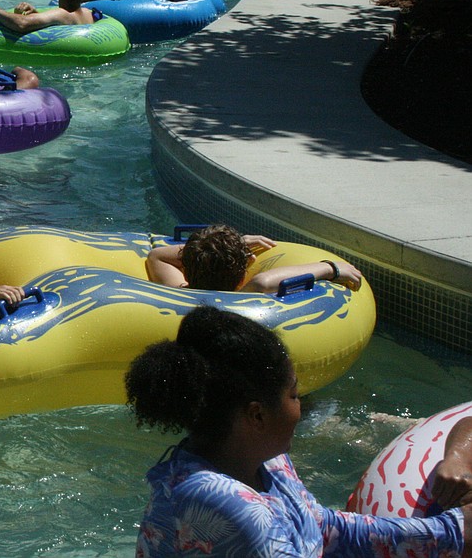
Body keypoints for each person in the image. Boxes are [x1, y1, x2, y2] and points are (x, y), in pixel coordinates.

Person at [125, 305, 472, 556]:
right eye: (293, 394)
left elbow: (319, 526)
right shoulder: (230, 509)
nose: (300, 406)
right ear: (257, 416)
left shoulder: (267, 463)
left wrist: (450, 531)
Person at [144, 223, 364, 293]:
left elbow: (157, 256)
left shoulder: (179, 291)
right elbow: (263, 281)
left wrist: (205, 249)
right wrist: (330, 268)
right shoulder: (240, 300)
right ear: (245, 271)